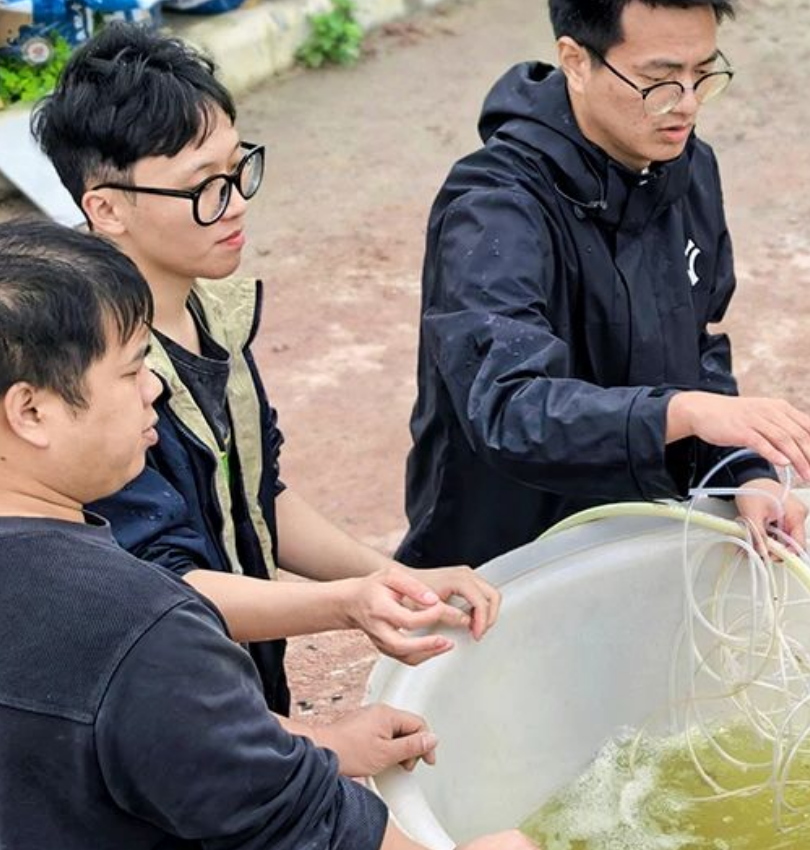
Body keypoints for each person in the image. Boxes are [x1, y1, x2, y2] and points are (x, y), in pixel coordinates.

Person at [0, 218, 560, 850]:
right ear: (33, 410)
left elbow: (99, 750)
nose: (153, 391)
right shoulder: (138, 623)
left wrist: (311, 741)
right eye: (129, 373)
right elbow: (297, 829)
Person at [32, 23, 500, 777]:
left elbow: (257, 493)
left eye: (238, 168)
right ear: (108, 208)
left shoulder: (211, 309)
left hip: (233, 678)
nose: (235, 203)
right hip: (161, 709)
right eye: (202, 187)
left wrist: (386, 578)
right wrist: (347, 604)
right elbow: (158, 586)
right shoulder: (95, 378)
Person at [400, 0, 810, 571]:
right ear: (576, 61)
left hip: (645, 532)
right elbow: (509, 406)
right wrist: (681, 413)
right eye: (659, 81)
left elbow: (697, 346)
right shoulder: (495, 208)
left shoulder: (688, 168)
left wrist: (742, 472)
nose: (685, 104)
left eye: (703, 73)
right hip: (505, 557)